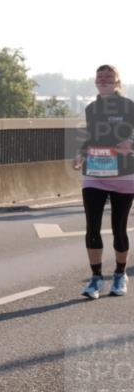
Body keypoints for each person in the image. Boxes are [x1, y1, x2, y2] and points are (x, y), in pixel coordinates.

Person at [73, 64, 134, 299]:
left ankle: (119, 274)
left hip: (124, 174)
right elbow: (89, 136)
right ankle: (96, 279)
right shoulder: (91, 108)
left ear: (118, 82)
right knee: (92, 226)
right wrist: (80, 153)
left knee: (118, 228)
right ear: (96, 82)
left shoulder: (129, 106)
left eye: (109, 76)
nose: (104, 79)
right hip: (95, 174)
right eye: (100, 76)